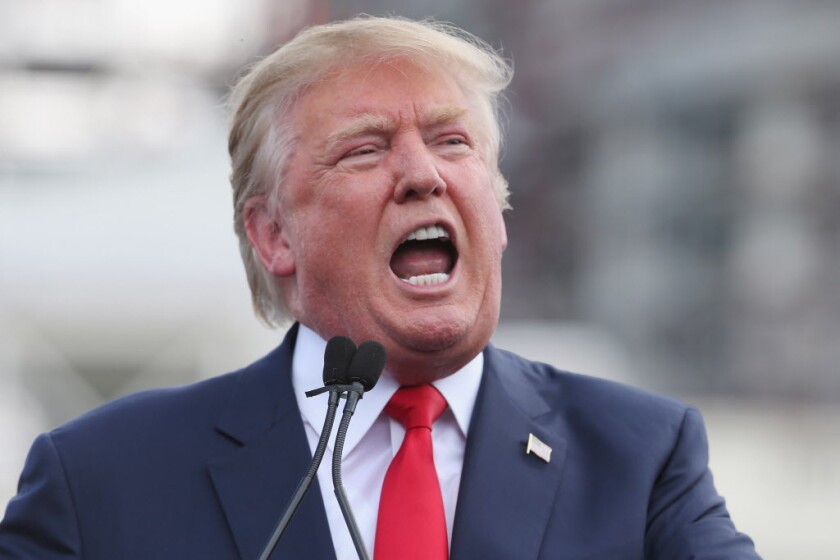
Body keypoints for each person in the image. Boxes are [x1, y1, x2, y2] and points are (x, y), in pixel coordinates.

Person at [0, 15, 761, 560]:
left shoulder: (640, 457)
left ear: (496, 215)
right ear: (272, 235)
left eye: (452, 141)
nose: (423, 174)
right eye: (365, 151)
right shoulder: (102, 480)